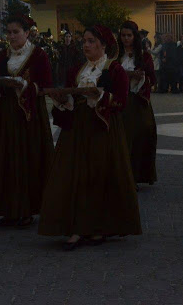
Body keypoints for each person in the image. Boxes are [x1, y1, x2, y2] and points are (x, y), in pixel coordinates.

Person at [39, 25, 141, 250]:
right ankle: (75, 228)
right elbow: (72, 100)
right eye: (84, 41)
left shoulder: (114, 70)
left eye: (91, 41)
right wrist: (62, 99)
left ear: (104, 45)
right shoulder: (78, 69)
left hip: (102, 129)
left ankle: (97, 227)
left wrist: (101, 96)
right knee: (73, 175)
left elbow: (121, 101)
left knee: (97, 176)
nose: (86, 45)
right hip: (77, 130)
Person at [0, 15, 54, 227]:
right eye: (9, 32)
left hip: (28, 115)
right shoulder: (2, 55)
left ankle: (26, 210)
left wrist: (25, 86)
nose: (11, 36)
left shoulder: (39, 55)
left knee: (25, 160)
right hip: (6, 114)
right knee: (6, 160)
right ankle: (9, 209)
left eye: (16, 32)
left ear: (27, 32)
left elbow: (47, 86)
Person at [118, 21, 157, 188]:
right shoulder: (115, 54)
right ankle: (122, 177)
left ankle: (137, 175)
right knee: (123, 139)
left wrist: (141, 78)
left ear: (135, 37)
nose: (126, 39)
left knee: (142, 136)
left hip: (139, 101)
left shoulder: (144, 56)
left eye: (129, 35)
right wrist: (125, 75)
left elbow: (153, 79)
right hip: (121, 101)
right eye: (123, 35)